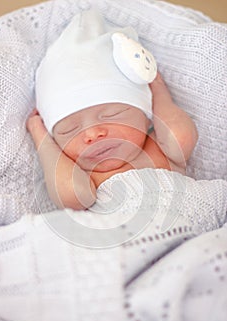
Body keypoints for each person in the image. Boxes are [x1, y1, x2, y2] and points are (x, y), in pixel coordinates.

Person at [27, 9, 198, 211]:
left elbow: (182, 138)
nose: (92, 134)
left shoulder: (162, 149)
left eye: (111, 115)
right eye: (69, 130)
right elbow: (71, 196)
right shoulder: (86, 179)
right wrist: (41, 136)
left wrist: (158, 92)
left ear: (147, 116)